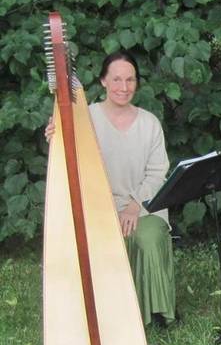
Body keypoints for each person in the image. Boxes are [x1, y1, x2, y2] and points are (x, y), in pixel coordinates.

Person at [46, 51, 176, 327]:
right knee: (95, 236)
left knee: (148, 237)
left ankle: (156, 312)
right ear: (103, 81)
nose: (123, 87)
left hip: (145, 206)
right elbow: (70, 159)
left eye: (130, 80)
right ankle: (106, 315)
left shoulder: (149, 123)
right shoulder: (85, 118)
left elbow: (156, 174)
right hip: (98, 206)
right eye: (116, 79)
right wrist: (56, 137)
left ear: (137, 84)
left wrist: (133, 206)